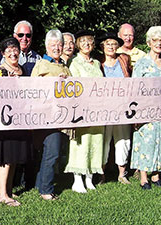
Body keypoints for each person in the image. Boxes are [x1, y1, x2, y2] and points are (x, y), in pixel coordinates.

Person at [130, 26, 161, 190]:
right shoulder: (141, 63)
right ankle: (143, 178)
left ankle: (156, 175)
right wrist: (136, 113)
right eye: (155, 40)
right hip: (146, 110)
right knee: (146, 142)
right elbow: (134, 88)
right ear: (149, 43)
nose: (159, 43)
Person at [31, 29, 71, 200]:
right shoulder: (41, 65)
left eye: (60, 44)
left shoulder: (64, 66)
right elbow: (33, 88)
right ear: (47, 46)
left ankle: (40, 184)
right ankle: (46, 190)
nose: (57, 47)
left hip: (62, 116)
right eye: (53, 45)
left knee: (53, 151)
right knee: (52, 152)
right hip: (47, 117)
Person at [63, 30, 104, 192]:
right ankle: (77, 179)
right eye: (83, 41)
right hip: (82, 109)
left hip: (98, 110)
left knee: (96, 141)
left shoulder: (97, 63)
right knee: (81, 143)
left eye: (89, 41)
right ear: (78, 44)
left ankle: (89, 177)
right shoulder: (74, 62)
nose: (87, 43)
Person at [0, 37, 33, 206]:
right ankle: (2, 194)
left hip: (21, 119)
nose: (13, 52)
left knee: (15, 156)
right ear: (3, 54)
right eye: (8, 50)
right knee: (6, 157)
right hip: (6, 121)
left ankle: (8, 190)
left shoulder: (23, 70)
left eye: (15, 49)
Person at [97, 32, 132, 185]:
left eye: (113, 44)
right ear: (102, 46)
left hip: (122, 107)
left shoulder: (124, 59)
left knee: (123, 139)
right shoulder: (98, 62)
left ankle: (122, 173)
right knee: (103, 140)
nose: (111, 47)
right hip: (103, 108)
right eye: (107, 44)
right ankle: (101, 173)